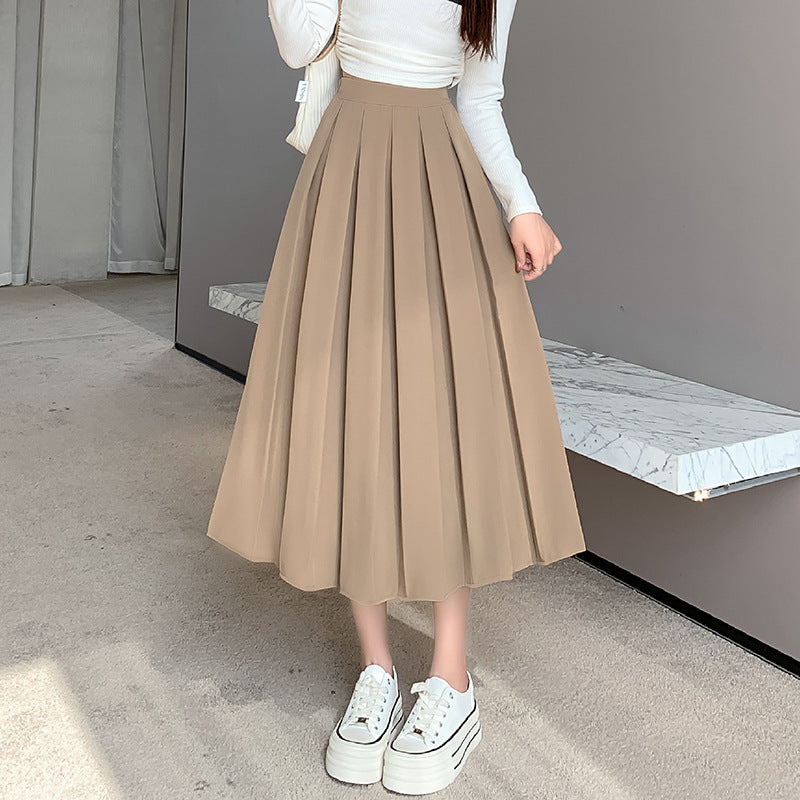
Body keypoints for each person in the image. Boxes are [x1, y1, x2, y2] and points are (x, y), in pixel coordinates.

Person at [206, 0, 586, 793]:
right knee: (354, 418)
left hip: (436, 186)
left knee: (436, 423)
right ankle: (376, 667)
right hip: (344, 179)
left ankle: (451, 680)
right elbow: (298, 43)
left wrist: (521, 203)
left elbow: (480, 98)